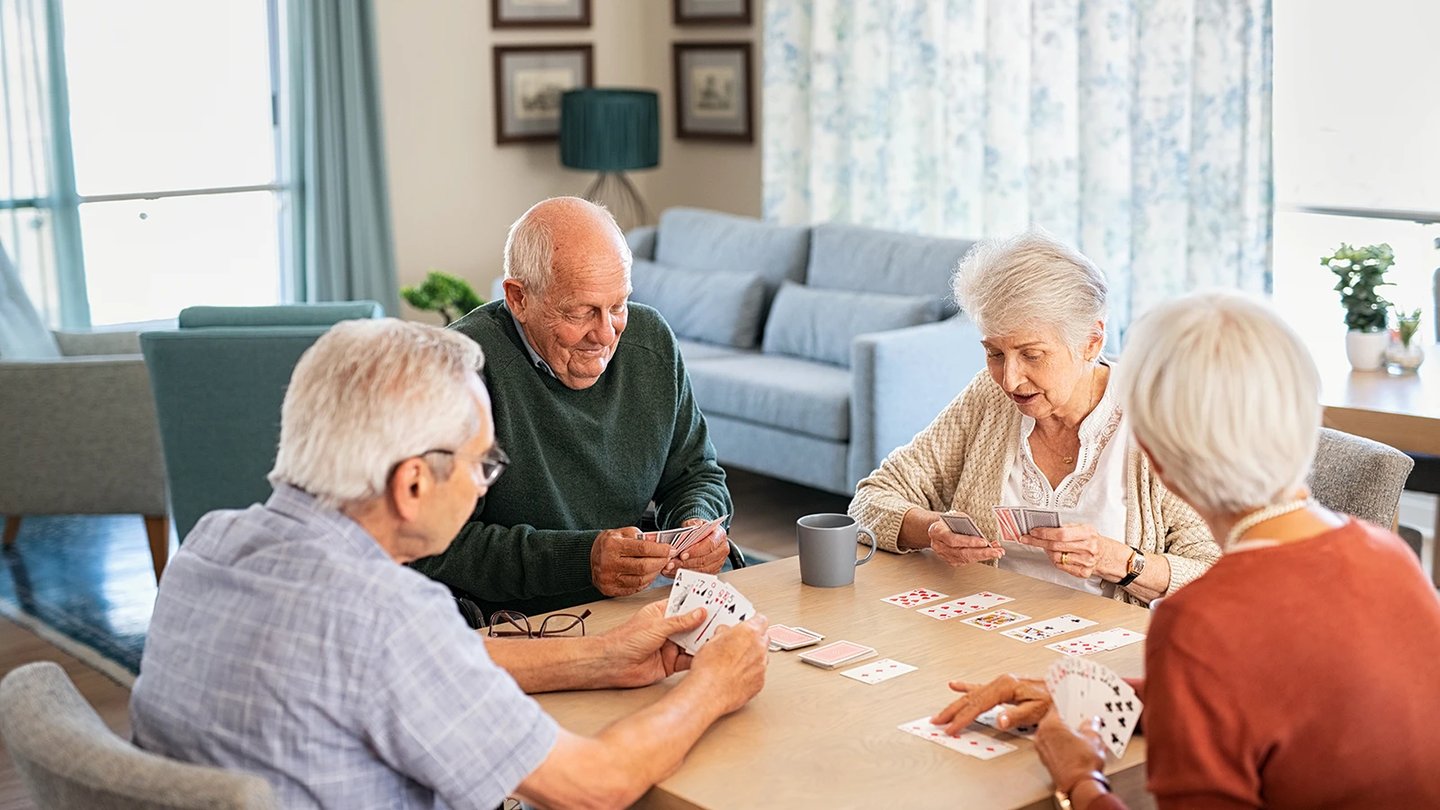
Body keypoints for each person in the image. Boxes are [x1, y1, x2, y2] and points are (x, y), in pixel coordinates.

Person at [130, 319, 769, 810]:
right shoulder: (389, 616)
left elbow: (406, 670)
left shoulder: (208, 546)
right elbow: (593, 786)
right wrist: (713, 687)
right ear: (412, 485)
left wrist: (602, 655)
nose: (484, 486)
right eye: (481, 464)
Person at [930, 292, 1440, 808]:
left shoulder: (1200, 621)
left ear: (1156, 459)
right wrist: (1094, 694)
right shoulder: (1392, 556)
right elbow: (1270, 692)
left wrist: (1077, 779)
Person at [848, 231, 1219, 605]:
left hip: (1107, 646)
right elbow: (868, 502)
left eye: (1032, 355)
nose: (1009, 380)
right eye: (994, 353)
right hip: (986, 628)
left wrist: (1120, 562)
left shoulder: (1157, 416)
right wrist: (930, 530)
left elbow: (1217, 573)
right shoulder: (990, 397)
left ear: (1092, 341)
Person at [413, 197, 738, 616]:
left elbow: (696, 474)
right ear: (518, 298)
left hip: (637, 603)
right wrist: (580, 561)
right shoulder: (459, 370)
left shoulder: (650, 340)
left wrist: (698, 526)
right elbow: (435, 544)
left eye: (617, 305)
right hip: (512, 622)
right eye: (581, 312)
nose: (605, 333)